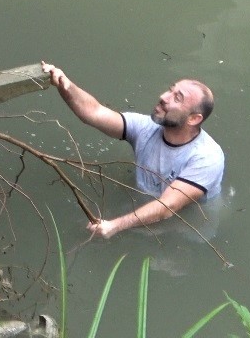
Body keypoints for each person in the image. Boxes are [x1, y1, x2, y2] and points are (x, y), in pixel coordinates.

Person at [41, 61, 224, 239]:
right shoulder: (146, 127)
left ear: (193, 119)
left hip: (188, 225)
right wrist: (64, 85)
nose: (163, 96)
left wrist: (115, 226)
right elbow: (94, 113)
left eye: (177, 98)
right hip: (146, 205)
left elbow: (168, 206)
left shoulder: (207, 157)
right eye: (170, 89)